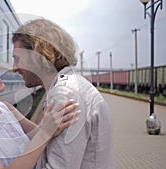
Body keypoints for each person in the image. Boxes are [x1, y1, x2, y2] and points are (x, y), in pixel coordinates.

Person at [12, 18, 114, 169]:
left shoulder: (66, 95)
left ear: (36, 55)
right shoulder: (68, 87)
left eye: (17, 59)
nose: (14, 68)